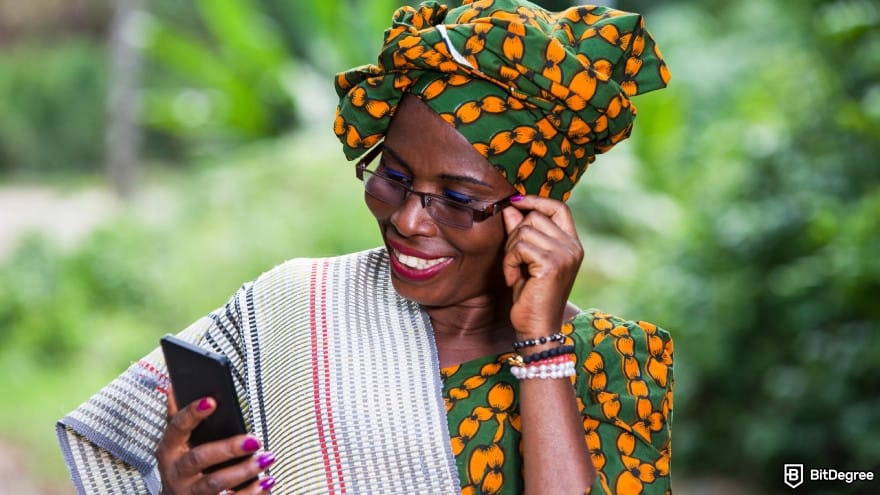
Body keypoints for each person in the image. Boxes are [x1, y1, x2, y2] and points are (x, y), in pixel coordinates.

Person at [57, 0, 673, 493]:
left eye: (458, 199)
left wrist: (542, 349)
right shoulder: (296, 311)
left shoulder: (616, 362)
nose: (407, 219)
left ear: (538, 213)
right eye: (395, 177)